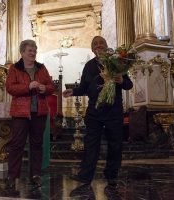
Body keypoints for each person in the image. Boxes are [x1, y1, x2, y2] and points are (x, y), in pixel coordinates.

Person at [63, 36, 133, 199]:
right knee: (91, 144)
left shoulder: (117, 62)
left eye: (101, 43)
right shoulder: (89, 66)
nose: (98, 45)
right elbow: (84, 88)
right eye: (95, 44)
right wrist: (73, 91)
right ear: (92, 49)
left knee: (115, 145)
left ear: (106, 45)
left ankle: (112, 176)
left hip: (113, 111)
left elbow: (128, 85)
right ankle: (85, 176)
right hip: (94, 111)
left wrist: (121, 79)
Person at [5, 40, 55, 191]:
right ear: (22, 52)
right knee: (17, 145)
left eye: (34, 50)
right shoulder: (15, 68)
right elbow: (10, 87)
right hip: (20, 113)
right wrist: (28, 86)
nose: (33, 53)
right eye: (30, 50)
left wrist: (43, 88)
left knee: (37, 145)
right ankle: (12, 177)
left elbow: (51, 87)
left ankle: (35, 175)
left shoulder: (41, 68)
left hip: (39, 112)